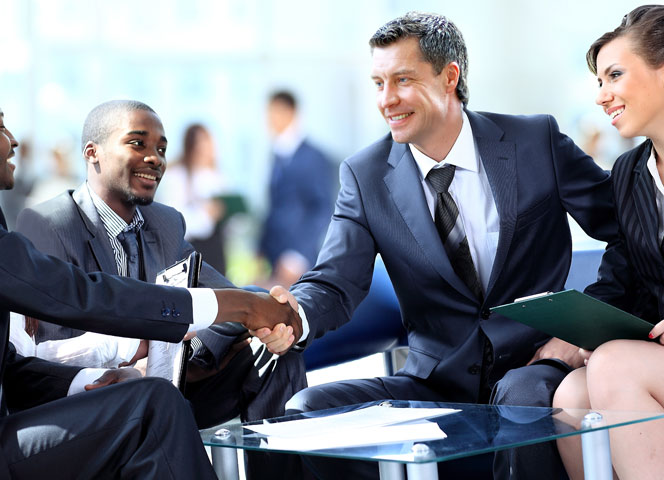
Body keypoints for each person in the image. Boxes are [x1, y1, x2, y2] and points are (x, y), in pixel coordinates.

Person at [257, 11, 618, 480]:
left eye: (402, 80)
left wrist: (582, 330)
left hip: (536, 367)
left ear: (450, 76)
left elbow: (627, 228)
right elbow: (335, 281)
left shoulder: (535, 141)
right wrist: (293, 315)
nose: (387, 100)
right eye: (378, 83)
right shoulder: (365, 176)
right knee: (309, 406)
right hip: (435, 382)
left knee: (523, 397)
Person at [0, 68, 301, 479]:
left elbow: (6, 364)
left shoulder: (164, 223)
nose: (14, 140)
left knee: (161, 393)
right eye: (0, 126)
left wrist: (93, 380)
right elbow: (76, 295)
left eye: (162, 147)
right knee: (153, 405)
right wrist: (238, 304)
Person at [15, 100, 306, 428]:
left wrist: (184, 354)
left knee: (273, 350)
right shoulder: (48, 224)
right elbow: (48, 354)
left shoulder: (164, 223)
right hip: (95, 401)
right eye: (137, 143)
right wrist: (137, 361)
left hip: (164, 385)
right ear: (92, 152)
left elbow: (226, 299)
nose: (155, 158)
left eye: (162, 148)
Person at [553, 5, 664, 479]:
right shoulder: (629, 172)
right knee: (571, 395)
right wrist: (574, 328)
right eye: (599, 82)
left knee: (615, 366)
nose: (602, 96)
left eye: (614, 75)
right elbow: (622, 273)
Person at [259, 90, 334, 288]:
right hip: (274, 256)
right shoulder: (277, 154)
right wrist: (260, 249)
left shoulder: (313, 157)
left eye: (274, 112)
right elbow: (275, 207)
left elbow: (321, 208)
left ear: (290, 112)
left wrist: (297, 255)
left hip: (296, 261)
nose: (270, 119)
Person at [157, 123, 229, 274]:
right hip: (190, 253)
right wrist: (206, 215)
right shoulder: (177, 176)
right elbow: (174, 221)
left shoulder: (217, 177)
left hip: (216, 252)